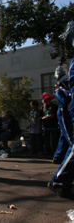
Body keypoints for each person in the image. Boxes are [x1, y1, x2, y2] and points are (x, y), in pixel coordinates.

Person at [48, 21, 74, 199]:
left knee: (69, 140)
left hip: (67, 110)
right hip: (64, 112)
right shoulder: (59, 89)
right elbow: (63, 101)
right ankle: (58, 179)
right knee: (69, 139)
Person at [52, 66, 72, 164]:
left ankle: (58, 156)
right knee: (69, 135)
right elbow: (63, 101)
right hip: (63, 113)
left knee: (63, 135)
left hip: (68, 113)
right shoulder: (59, 91)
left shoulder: (68, 90)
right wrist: (70, 96)